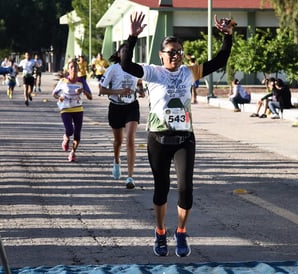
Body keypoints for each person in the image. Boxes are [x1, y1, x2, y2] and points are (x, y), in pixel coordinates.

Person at [120, 11, 236, 257]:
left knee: (185, 189)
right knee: (161, 189)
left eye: (179, 51)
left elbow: (219, 61)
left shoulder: (188, 72)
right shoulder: (152, 72)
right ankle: (160, 232)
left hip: (184, 139)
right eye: (171, 52)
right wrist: (131, 38)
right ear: (161, 55)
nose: (175, 55)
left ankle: (181, 232)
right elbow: (126, 65)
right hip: (158, 139)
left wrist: (227, 36)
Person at [98, 44, 145, 189]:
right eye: (123, 51)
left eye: (128, 51)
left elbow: (139, 82)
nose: (126, 54)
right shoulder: (113, 69)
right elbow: (101, 90)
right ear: (118, 54)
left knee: (130, 139)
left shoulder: (136, 68)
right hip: (116, 107)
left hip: (132, 106)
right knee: (118, 141)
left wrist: (140, 90)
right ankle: (117, 161)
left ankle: (130, 177)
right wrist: (119, 92)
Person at [52, 59, 93, 161]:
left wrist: (83, 90)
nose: (74, 69)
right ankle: (66, 138)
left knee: (77, 133)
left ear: (78, 69)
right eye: (71, 67)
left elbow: (90, 97)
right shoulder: (63, 81)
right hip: (65, 108)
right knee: (69, 130)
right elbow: (54, 94)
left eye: (75, 67)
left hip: (78, 108)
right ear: (68, 70)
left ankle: (73, 152)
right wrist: (59, 97)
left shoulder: (82, 81)